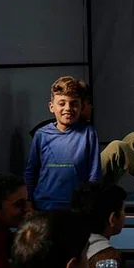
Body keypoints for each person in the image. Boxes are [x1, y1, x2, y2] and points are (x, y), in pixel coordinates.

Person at [25, 76, 101, 210]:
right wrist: (29, 201)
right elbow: (31, 172)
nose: (68, 108)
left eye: (74, 103)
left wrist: (90, 204)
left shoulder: (88, 134)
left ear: (81, 106)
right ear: (51, 107)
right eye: (62, 103)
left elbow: (94, 174)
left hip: (76, 207)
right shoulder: (41, 135)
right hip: (44, 205)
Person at [71, 181, 128, 268]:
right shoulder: (109, 259)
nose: (124, 215)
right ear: (112, 219)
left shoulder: (63, 245)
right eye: (123, 211)